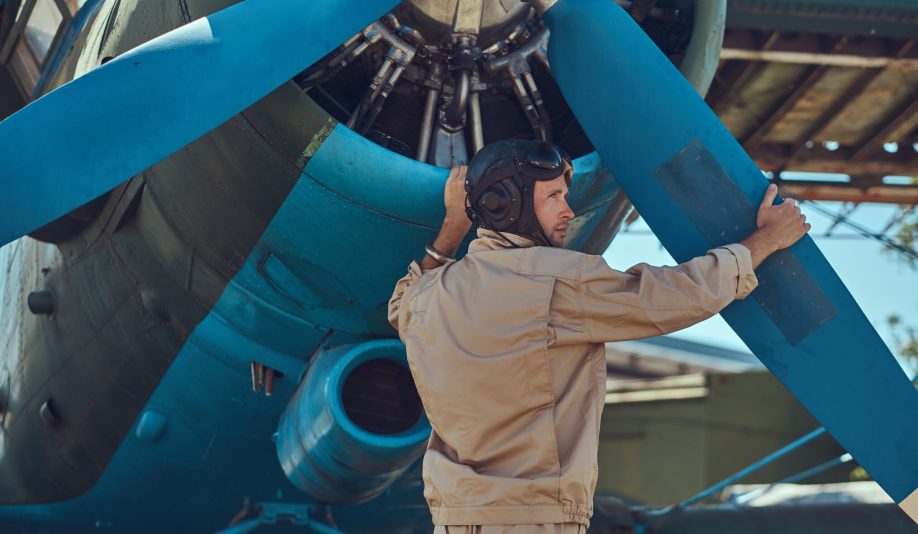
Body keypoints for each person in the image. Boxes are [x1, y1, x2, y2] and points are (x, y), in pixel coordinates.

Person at [388, 140, 810, 533]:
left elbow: (399, 305)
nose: (568, 211)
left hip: (455, 519)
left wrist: (452, 228)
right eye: (553, 196)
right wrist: (770, 238)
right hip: (535, 519)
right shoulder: (556, 279)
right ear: (505, 205)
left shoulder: (428, 296)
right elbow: (681, 296)